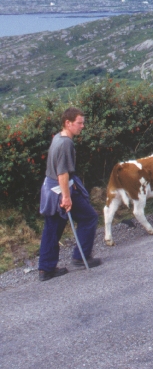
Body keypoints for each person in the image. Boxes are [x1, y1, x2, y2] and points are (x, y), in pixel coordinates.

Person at [38, 107, 102, 281]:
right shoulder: (66, 143)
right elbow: (63, 174)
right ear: (68, 122)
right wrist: (66, 197)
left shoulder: (58, 137)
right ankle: (80, 258)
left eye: (83, 123)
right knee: (89, 217)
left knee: (52, 228)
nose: (82, 126)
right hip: (61, 190)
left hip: (50, 189)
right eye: (79, 123)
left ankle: (45, 269)